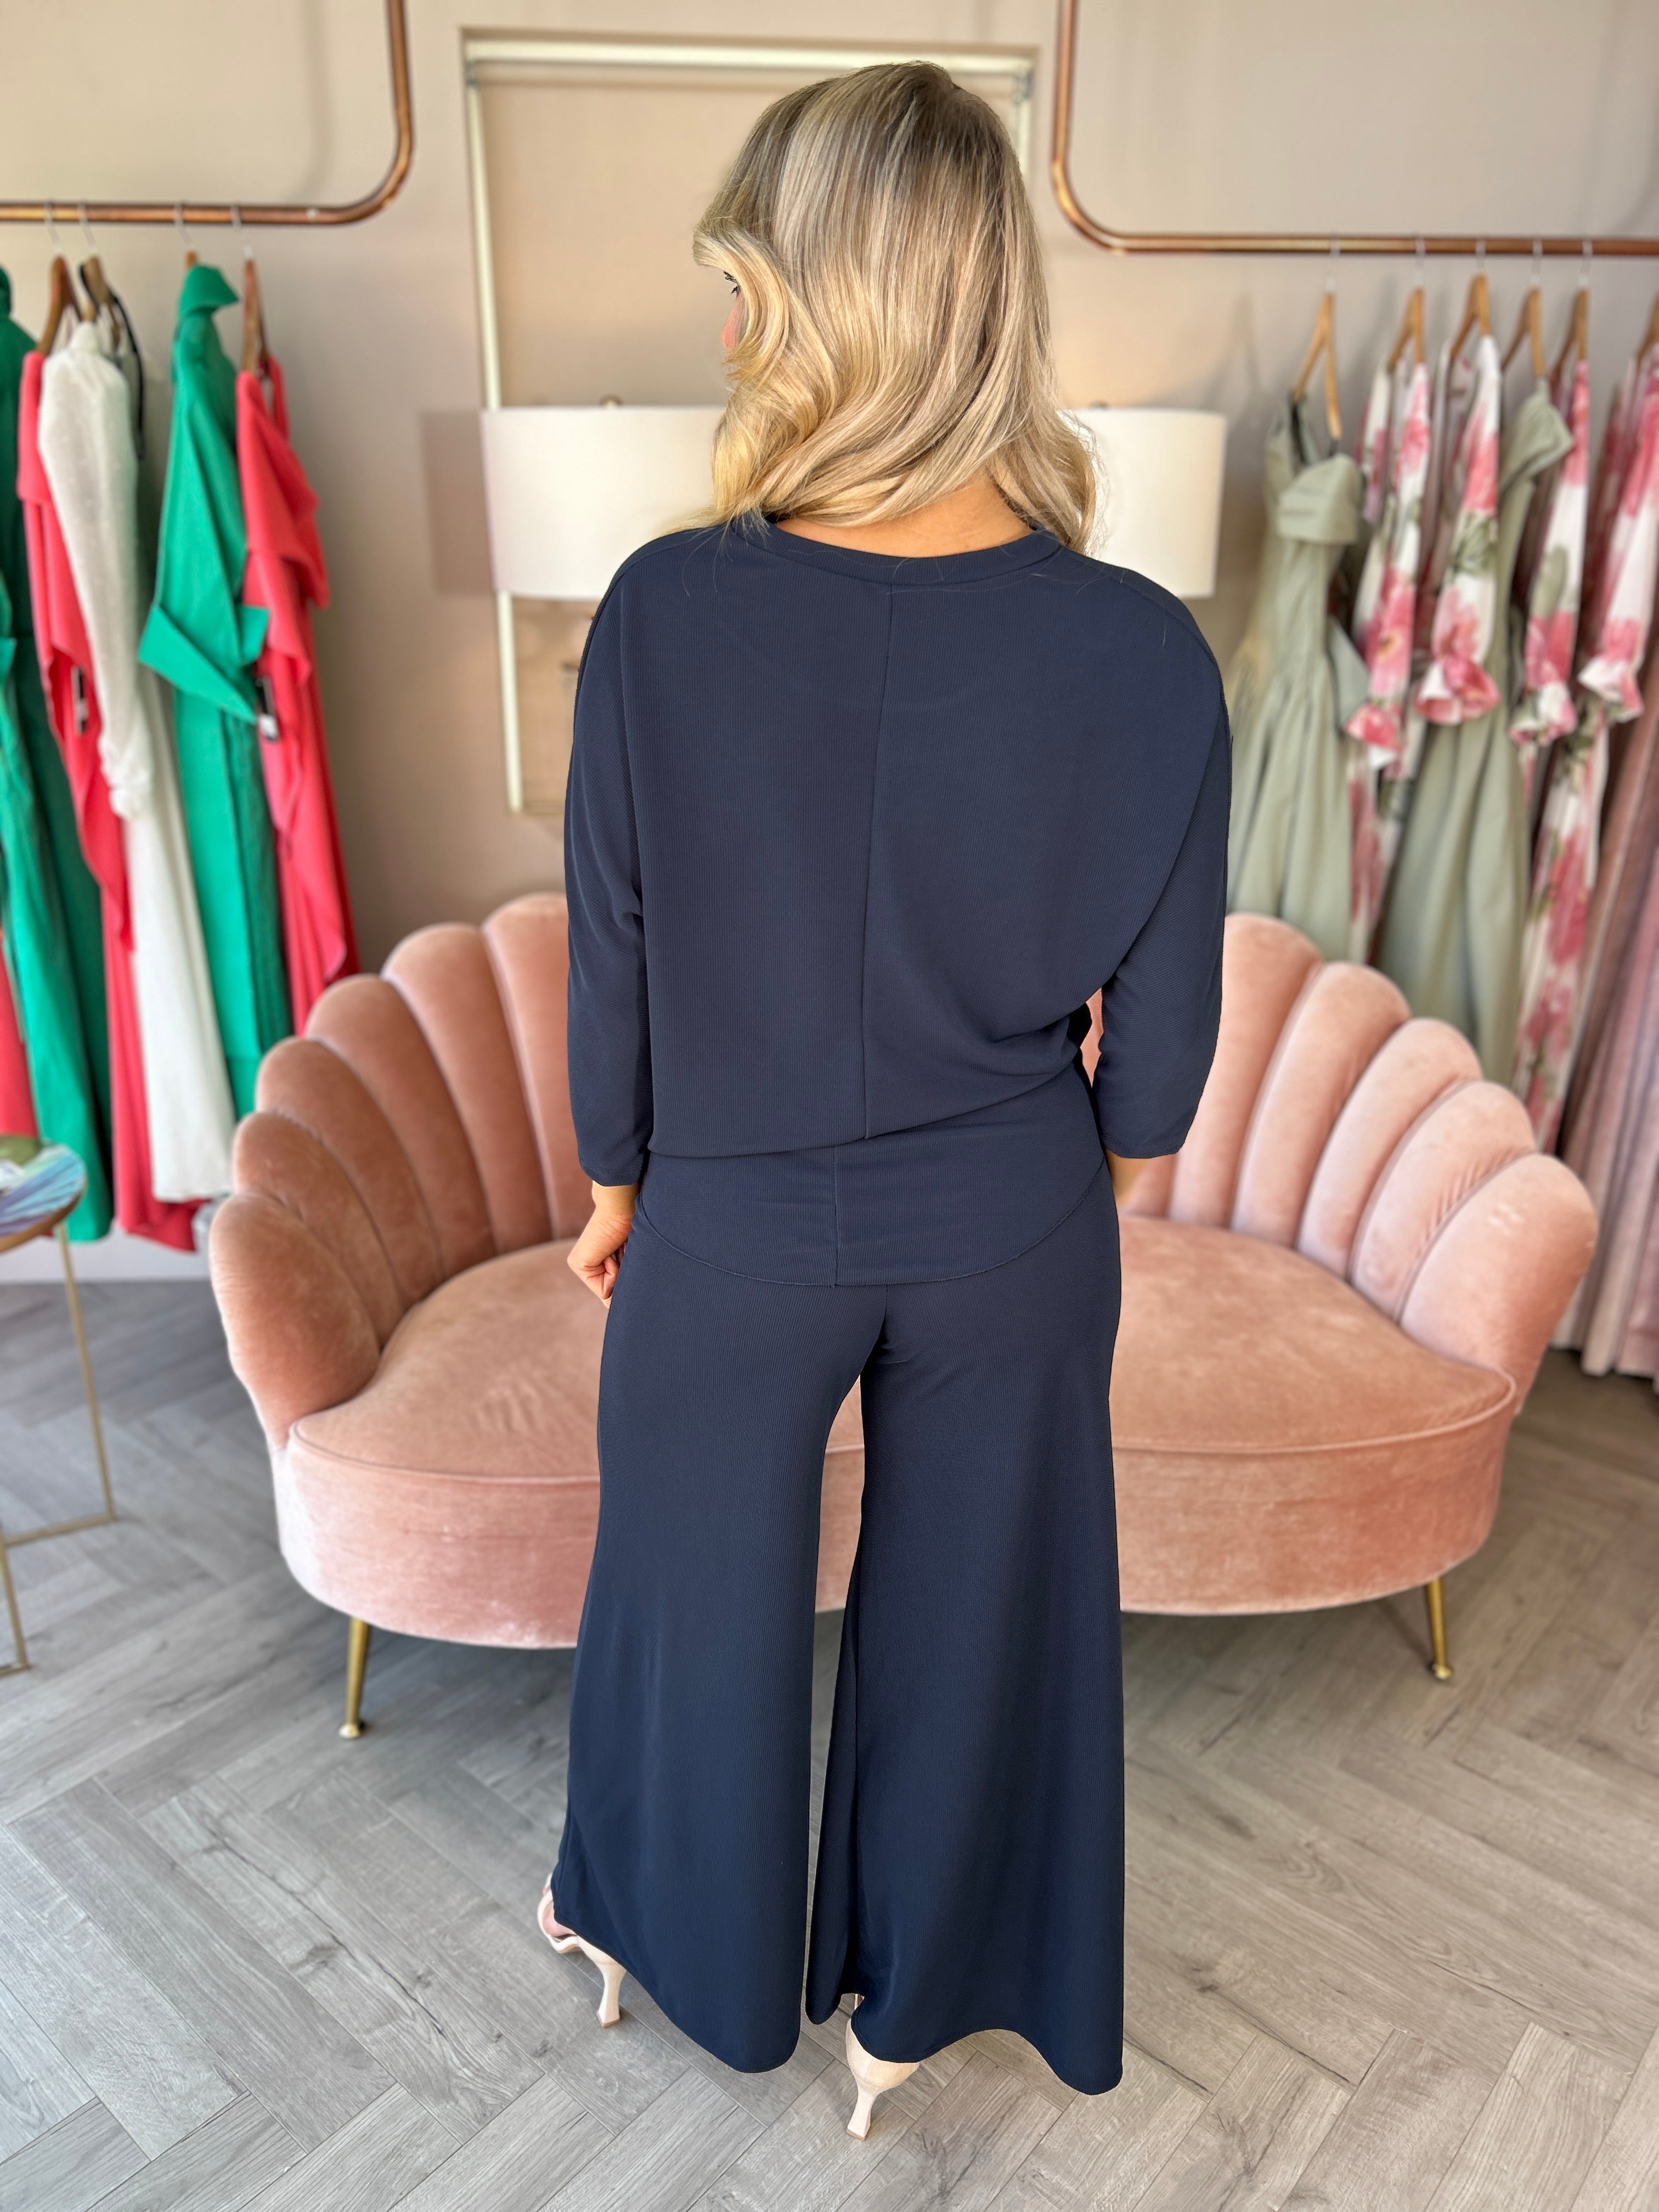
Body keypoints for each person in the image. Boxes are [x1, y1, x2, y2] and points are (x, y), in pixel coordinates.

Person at [538, 60, 1228, 2137]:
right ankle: (920, 2005)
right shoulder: (1146, 653)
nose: (728, 323)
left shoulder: (663, 611)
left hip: (729, 1216)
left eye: (747, 282)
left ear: (828, 301)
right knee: (983, 1627)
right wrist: (1091, 1175)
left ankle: (663, 1940)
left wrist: (615, 1186)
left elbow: (614, 954)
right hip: (1014, 1215)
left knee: (689, 1600)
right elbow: (1161, 1059)